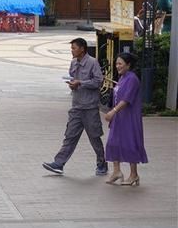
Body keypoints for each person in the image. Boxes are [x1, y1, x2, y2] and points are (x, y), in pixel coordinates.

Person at [43, 38, 108, 176]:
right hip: (77, 106)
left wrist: (81, 83)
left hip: (90, 107)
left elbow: (98, 81)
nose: (71, 51)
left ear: (82, 49)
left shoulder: (92, 62)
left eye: (74, 48)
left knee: (94, 137)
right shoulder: (73, 63)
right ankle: (59, 163)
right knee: (70, 136)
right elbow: (73, 76)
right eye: (71, 48)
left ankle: (102, 163)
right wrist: (73, 83)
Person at [104, 53, 148, 186]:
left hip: (129, 118)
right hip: (119, 118)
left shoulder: (132, 79)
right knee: (112, 143)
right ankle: (116, 171)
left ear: (128, 65)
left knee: (130, 144)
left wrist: (113, 111)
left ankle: (134, 174)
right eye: (116, 64)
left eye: (120, 64)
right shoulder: (122, 78)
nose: (118, 66)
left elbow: (126, 99)